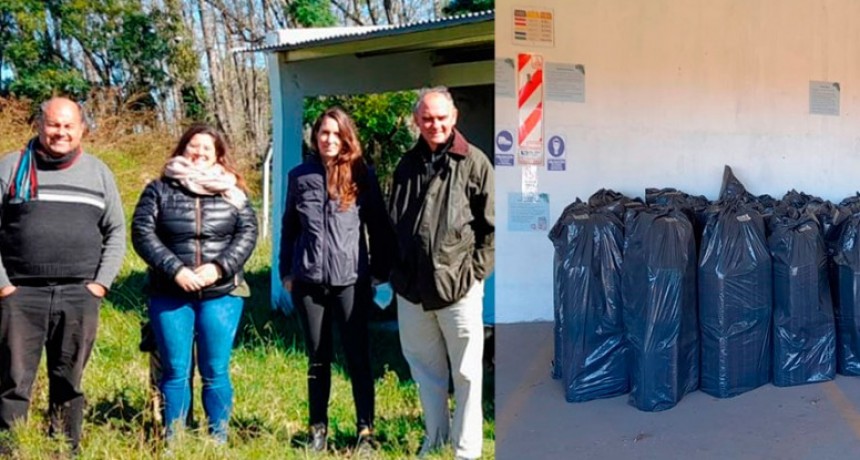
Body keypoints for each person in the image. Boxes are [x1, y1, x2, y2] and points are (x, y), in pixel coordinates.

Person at [0, 97, 126, 454]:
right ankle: (10, 447)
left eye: (69, 125)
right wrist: (3, 285)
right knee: (12, 379)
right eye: (53, 124)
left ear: (82, 128)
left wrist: (100, 284)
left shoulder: (99, 172)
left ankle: (64, 448)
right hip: (20, 294)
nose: (61, 132)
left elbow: (116, 230)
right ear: (39, 126)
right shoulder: (11, 167)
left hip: (78, 294)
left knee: (69, 379)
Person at [131, 124, 257, 445]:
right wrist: (175, 270)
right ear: (182, 148)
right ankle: (174, 441)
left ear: (218, 155)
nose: (199, 152)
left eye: (206, 148)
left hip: (222, 293)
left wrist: (218, 268)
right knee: (175, 369)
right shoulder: (159, 189)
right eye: (193, 146)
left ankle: (217, 440)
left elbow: (247, 233)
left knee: (215, 370)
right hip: (170, 293)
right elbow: (142, 233)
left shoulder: (233, 192)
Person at [388, 87, 494, 460]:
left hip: (458, 287)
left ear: (454, 118)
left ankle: (466, 451)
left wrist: (474, 274)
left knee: (466, 373)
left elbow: (491, 229)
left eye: (441, 118)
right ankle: (434, 442)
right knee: (426, 372)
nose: (435, 125)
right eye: (427, 118)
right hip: (412, 290)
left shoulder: (475, 163)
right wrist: (396, 274)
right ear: (417, 121)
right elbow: (393, 223)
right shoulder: (406, 165)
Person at [279, 107, 392, 453]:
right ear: (315, 136)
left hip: (350, 282)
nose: (329, 139)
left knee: (358, 357)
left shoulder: (362, 175)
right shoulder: (299, 176)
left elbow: (378, 226)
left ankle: (365, 432)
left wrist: (378, 273)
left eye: (336, 133)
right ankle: (317, 430)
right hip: (309, 283)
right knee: (318, 358)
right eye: (323, 133)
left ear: (346, 137)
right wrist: (286, 272)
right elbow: (289, 227)